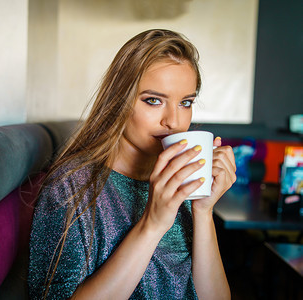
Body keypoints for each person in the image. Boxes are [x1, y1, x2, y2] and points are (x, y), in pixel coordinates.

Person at [28, 29, 236, 299]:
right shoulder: (71, 187)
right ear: (118, 102)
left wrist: (204, 211)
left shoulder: (178, 179)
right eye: (154, 100)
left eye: (186, 102)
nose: (174, 121)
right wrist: (153, 223)